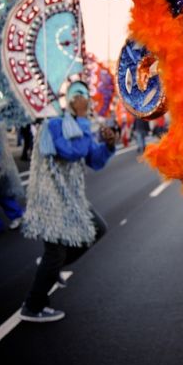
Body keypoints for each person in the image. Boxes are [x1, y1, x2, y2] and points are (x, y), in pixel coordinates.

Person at [19, 83, 115, 322]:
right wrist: (83, 119)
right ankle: (33, 306)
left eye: (85, 94)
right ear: (69, 100)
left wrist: (109, 145)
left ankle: (52, 266)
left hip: (72, 198)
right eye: (79, 94)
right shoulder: (52, 124)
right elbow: (71, 151)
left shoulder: (80, 124)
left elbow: (93, 159)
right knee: (55, 251)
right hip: (52, 199)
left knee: (97, 229)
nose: (84, 99)